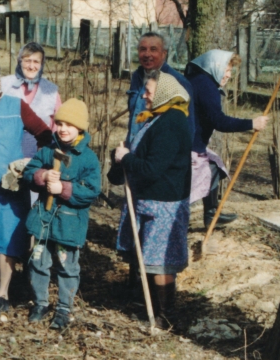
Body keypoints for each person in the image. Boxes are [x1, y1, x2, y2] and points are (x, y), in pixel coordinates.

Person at [0, 62, 52, 316]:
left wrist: (32, 164)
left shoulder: (16, 106)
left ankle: (2, 293)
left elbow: (44, 134)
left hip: (10, 187)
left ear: (0, 82)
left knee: (8, 240)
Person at [108, 70, 192, 328]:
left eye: (149, 91)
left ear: (164, 94)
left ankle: (165, 316)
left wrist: (126, 158)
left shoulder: (171, 123)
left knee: (160, 262)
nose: (144, 95)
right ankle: (151, 308)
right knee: (149, 258)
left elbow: (153, 169)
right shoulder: (156, 118)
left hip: (164, 203)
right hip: (149, 199)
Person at [22, 99, 101, 330]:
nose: (63, 129)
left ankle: (64, 308)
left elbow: (92, 190)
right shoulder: (48, 150)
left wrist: (64, 189)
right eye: (60, 124)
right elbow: (28, 172)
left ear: (80, 128)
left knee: (67, 267)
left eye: (70, 125)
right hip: (44, 219)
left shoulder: (88, 158)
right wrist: (43, 176)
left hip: (69, 223)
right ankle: (40, 303)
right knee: (38, 262)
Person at [185, 50, 267, 228]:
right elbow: (219, 122)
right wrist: (252, 123)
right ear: (215, 66)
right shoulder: (206, 86)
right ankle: (190, 216)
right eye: (227, 70)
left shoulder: (196, 80)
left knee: (214, 164)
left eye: (230, 71)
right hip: (187, 147)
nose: (229, 75)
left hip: (186, 141)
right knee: (199, 176)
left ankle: (211, 213)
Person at [125, 32, 194, 142]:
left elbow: (187, 127)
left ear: (163, 54)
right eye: (143, 49)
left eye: (153, 49)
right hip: (134, 147)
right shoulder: (137, 76)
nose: (147, 54)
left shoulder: (177, 82)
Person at [1, 42, 63, 158]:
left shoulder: (51, 90)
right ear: (20, 61)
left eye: (36, 62)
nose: (31, 66)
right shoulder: (4, 85)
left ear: (42, 64)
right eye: (27, 61)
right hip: (7, 149)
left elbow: (57, 124)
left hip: (40, 152)